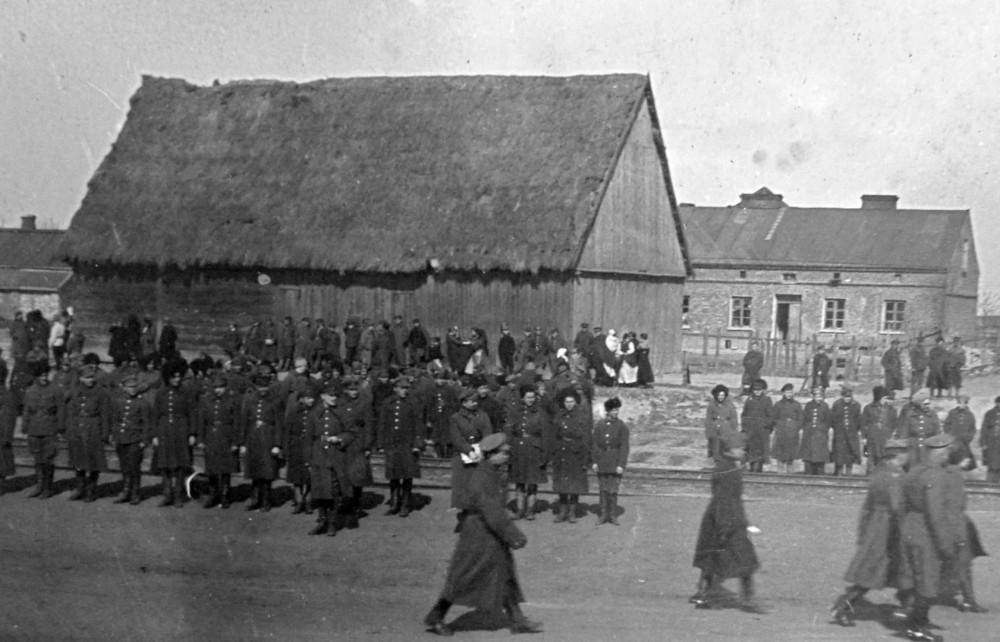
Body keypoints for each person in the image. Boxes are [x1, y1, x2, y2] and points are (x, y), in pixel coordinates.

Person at [423, 433, 541, 636]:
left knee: (504, 573)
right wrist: (512, 534)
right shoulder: (482, 475)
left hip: (490, 533)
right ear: (491, 454)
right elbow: (490, 509)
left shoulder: (492, 472)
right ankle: (436, 616)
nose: (506, 457)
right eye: (503, 453)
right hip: (479, 534)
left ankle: (517, 619)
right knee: (464, 576)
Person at [830, 438, 911, 627]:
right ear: (898, 456)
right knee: (883, 571)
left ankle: (907, 610)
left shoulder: (880, 473)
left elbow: (868, 507)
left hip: (877, 527)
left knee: (881, 571)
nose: (908, 456)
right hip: (890, 529)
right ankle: (909, 613)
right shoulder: (895, 476)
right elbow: (897, 506)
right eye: (906, 453)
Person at [690, 431, 761, 612]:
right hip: (724, 521)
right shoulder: (726, 470)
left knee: (713, 561)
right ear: (731, 450)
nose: (743, 452)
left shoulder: (729, 467)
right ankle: (745, 601)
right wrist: (724, 527)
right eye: (740, 449)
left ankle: (704, 595)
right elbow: (723, 499)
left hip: (725, 520)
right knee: (744, 560)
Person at [898, 432, 957, 641]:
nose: (948, 455)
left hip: (909, 529)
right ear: (940, 452)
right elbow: (935, 513)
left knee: (915, 579)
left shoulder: (914, 471)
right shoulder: (935, 475)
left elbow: (902, 503)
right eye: (947, 451)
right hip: (926, 535)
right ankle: (916, 628)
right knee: (928, 583)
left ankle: (917, 622)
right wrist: (946, 545)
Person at [941, 447, 988, 614]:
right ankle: (969, 601)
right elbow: (954, 506)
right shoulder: (954, 477)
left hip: (952, 524)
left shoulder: (950, 474)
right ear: (959, 460)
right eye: (966, 458)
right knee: (963, 564)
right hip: (955, 526)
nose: (969, 461)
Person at [307, 382, 355, 535]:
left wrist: (339, 438)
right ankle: (322, 521)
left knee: (334, 491)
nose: (334, 398)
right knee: (320, 490)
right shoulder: (314, 413)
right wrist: (308, 459)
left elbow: (351, 433)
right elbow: (307, 438)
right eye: (330, 395)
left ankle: (332, 523)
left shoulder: (342, 413)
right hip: (319, 455)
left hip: (336, 455)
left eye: (335, 395)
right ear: (322, 396)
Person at [152, 363, 198, 507]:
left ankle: (178, 494)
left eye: (179, 377)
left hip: (181, 429)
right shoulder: (161, 393)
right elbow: (155, 415)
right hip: (164, 429)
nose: (177, 380)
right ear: (168, 378)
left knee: (180, 463)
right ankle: (167, 493)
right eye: (174, 377)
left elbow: (192, 413)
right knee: (164, 463)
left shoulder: (186, 392)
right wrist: (155, 435)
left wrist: (191, 433)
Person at [64, 364, 112, 502]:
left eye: (92, 377)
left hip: (94, 429)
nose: (90, 380)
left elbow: (105, 414)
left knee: (94, 462)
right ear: (80, 378)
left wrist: (105, 433)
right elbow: (70, 412)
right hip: (77, 429)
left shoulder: (101, 392)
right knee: (78, 461)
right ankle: (80, 489)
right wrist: (70, 430)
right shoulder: (75, 391)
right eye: (87, 377)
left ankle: (91, 490)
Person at [377, 377, 423, 517]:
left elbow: (419, 425)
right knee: (393, 474)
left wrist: (417, 444)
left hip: (407, 444)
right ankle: (394, 503)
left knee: (407, 474)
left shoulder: (413, 403)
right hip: (392, 444)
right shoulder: (387, 403)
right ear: (395, 388)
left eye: (407, 388)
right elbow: (382, 424)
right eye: (402, 388)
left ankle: (406, 504)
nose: (405, 391)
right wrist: (381, 443)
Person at [505, 384, 551, 521]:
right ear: (522, 398)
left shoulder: (540, 413)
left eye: (533, 397)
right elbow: (509, 431)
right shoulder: (515, 412)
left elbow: (546, 435)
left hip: (534, 451)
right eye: (528, 397)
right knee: (519, 481)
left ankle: (530, 510)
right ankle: (519, 510)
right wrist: (508, 449)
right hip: (518, 450)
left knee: (532, 481)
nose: (530, 400)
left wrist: (545, 455)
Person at [240, 369, 284, 511]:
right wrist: (242, 442)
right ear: (255, 387)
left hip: (268, 438)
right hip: (253, 438)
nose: (263, 390)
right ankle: (255, 499)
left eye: (265, 387)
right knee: (255, 470)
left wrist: (277, 444)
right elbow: (244, 421)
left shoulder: (275, 400)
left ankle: (266, 501)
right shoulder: (249, 400)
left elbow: (279, 423)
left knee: (267, 471)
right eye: (260, 387)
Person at [197, 374, 240, 508]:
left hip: (226, 436)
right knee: (212, 468)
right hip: (211, 436)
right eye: (216, 387)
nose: (218, 390)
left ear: (226, 388)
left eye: (221, 387)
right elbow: (201, 421)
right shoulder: (206, 401)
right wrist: (200, 439)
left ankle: (225, 495)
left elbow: (237, 423)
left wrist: (235, 442)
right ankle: (213, 494)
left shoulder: (232, 401)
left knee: (226, 468)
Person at [551, 387, 591, 523]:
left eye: (571, 401)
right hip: (561, 452)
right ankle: (562, 512)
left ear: (575, 402)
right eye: (566, 402)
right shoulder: (559, 415)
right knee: (562, 483)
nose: (569, 404)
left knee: (575, 484)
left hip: (576, 453)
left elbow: (585, 437)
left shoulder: (581, 416)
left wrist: (586, 457)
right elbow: (554, 434)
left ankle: (572, 512)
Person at [448, 388, 493, 510]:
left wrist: (483, 450)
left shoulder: (483, 416)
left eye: (476, 401)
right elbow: (456, 438)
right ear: (464, 403)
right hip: (462, 454)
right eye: (472, 401)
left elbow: (487, 434)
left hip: (480, 454)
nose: (475, 403)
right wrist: (469, 451)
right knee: (462, 485)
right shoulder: (455, 418)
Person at [23, 362, 63, 498]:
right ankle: (39, 486)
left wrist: (61, 427)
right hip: (34, 428)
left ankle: (48, 488)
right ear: (36, 377)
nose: (44, 378)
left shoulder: (55, 390)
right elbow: (26, 410)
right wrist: (24, 425)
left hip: (50, 428)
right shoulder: (30, 390)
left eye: (46, 375)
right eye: (41, 376)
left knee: (48, 458)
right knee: (37, 458)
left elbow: (61, 410)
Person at [592, 396, 629, 525]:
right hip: (602, 460)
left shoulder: (621, 426)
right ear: (607, 411)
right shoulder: (600, 425)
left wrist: (621, 465)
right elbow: (595, 444)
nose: (616, 412)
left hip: (614, 461)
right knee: (603, 489)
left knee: (613, 489)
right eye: (613, 410)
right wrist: (595, 462)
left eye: (617, 410)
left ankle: (612, 515)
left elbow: (624, 447)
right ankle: (603, 515)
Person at [861, 386, 897, 475]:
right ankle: (869, 477)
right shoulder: (868, 408)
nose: (886, 400)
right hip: (872, 437)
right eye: (885, 398)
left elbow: (893, 424)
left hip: (885, 437)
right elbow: (863, 424)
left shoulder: (891, 410)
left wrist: (890, 434)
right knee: (871, 458)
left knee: (884, 458)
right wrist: (863, 437)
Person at [741, 378, 773, 473]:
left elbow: (771, 416)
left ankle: (759, 470)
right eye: (755, 390)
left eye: (759, 390)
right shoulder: (749, 400)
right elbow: (744, 415)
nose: (757, 392)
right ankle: (751, 468)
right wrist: (745, 427)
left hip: (761, 432)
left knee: (760, 453)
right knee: (751, 451)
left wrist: (766, 425)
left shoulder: (767, 400)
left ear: (762, 390)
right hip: (751, 431)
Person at [830, 386, 862, 477]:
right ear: (842, 396)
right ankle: (838, 474)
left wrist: (854, 429)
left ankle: (849, 475)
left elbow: (859, 420)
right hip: (840, 435)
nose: (847, 399)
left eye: (849, 397)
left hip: (851, 435)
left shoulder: (856, 405)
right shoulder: (837, 404)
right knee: (839, 455)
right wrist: (838, 429)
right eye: (845, 397)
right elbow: (833, 419)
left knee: (850, 455)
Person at [770, 383, 802, 474]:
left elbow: (800, 419)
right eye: (787, 392)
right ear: (783, 393)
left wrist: (794, 427)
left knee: (790, 456)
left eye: (791, 392)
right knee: (780, 455)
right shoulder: (778, 405)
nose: (789, 394)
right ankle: (779, 474)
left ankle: (790, 475)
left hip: (792, 434)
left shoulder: (797, 405)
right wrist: (780, 425)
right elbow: (774, 418)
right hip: (781, 434)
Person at [798, 387, 831, 475]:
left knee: (820, 457)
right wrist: (807, 428)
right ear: (813, 397)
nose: (818, 399)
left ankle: (820, 475)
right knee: (808, 457)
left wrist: (823, 429)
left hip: (820, 435)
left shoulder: (825, 406)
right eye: (816, 396)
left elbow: (828, 421)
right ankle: (809, 474)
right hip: (809, 434)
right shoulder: (809, 405)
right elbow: (804, 418)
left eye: (820, 397)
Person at [901, 393, 940, 464]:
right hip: (913, 448)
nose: (927, 406)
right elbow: (904, 433)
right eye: (925, 404)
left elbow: (938, 432)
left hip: (928, 448)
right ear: (919, 404)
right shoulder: (910, 415)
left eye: (928, 403)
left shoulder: (933, 414)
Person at [943, 395, 976, 471]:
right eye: (960, 402)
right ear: (957, 403)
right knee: (952, 459)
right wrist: (949, 435)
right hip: (953, 440)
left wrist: (968, 437)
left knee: (964, 460)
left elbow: (972, 429)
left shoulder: (970, 414)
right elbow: (946, 425)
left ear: (966, 403)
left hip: (964, 442)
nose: (962, 405)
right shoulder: (952, 413)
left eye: (964, 403)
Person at [705, 384, 738, 460]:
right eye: (719, 395)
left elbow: (733, 418)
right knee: (716, 443)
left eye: (723, 395)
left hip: (726, 428)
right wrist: (708, 430)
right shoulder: (712, 405)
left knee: (725, 444)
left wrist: (734, 429)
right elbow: (708, 419)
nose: (721, 397)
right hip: (715, 428)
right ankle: (716, 459)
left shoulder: (730, 405)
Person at [979, 395, 1000, 483]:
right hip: (991, 443)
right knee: (992, 465)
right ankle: (990, 485)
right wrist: (983, 443)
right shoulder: (990, 413)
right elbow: (984, 429)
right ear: (996, 403)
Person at [0, 382, 16, 494]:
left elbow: (9, 417)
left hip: (1, 432)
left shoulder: (7, 395)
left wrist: (6, 435)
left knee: (2, 460)